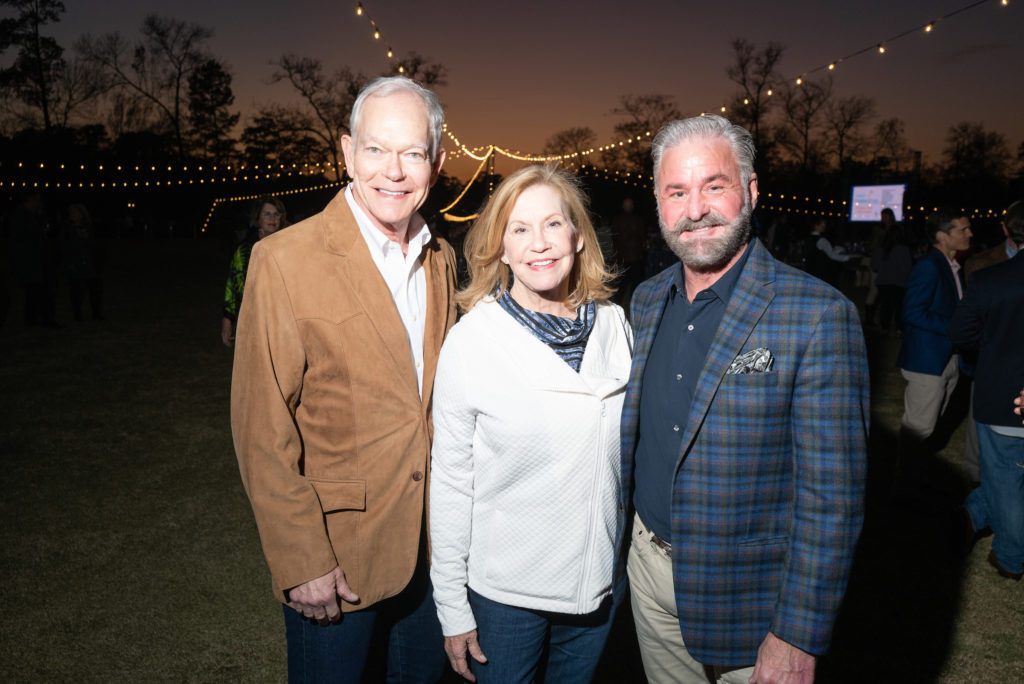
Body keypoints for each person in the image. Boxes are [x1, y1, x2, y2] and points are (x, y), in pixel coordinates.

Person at [616, 115, 869, 684]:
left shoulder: (818, 315)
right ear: (658, 203)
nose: (695, 208)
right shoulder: (648, 300)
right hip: (648, 576)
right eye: (677, 192)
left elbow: (833, 500)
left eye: (715, 186)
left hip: (751, 603)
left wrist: (797, 635)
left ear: (751, 192)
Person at [231, 76, 458, 683]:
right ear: (347, 152)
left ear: (436, 162)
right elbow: (261, 427)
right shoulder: (283, 260)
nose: (394, 170)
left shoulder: (441, 258)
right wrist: (301, 557)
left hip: (431, 554)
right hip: (336, 561)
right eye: (376, 149)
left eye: (413, 152)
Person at [430, 165, 633, 683]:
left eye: (552, 224)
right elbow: (451, 482)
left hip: (597, 593)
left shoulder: (615, 325)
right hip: (506, 600)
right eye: (519, 229)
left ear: (579, 236)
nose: (538, 244)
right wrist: (452, 605)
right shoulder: (473, 341)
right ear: (500, 246)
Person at [949, 200, 1024, 581]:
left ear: (1009, 232)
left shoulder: (993, 280)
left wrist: (990, 351)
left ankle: (980, 520)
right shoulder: (990, 276)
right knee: (1007, 473)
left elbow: (962, 334)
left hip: (1003, 395)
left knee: (1005, 475)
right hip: (1003, 394)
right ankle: (1005, 548)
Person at [893, 211, 973, 498]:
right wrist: (956, 329)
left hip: (945, 358)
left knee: (929, 425)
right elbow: (912, 312)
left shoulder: (951, 265)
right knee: (919, 427)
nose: (969, 234)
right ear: (942, 235)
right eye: (963, 230)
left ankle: (916, 479)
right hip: (928, 360)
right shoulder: (929, 266)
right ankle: (904, 490)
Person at [220, 196, 286, 347]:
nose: (272, 218)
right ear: (258, 218)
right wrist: (227, 320)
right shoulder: (245, 249)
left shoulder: (289, 245)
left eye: (276, 214)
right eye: (267, 214)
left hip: (284, 321)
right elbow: (233, 285)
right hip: (254, 321)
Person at [61, 204, 103, 322]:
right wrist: (69, 263)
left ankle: (96, 314)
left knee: (94, 289)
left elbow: (93, 245)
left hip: (88, 262)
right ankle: (78, 315)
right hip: (75, 263)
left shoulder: (87, 227)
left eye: (75, 212)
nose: (72, 214)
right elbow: (64, 246)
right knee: (76, 291)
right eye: (71, 212)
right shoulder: (67, 228)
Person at [870, 222, 913, 333]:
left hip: (883, 282)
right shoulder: (904, 249)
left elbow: (874, 266)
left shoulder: (881, 249)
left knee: (885, 306)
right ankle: (899, 328)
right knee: (899, 307)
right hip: (899, 282)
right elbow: (908, 268)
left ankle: (885, 327)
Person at [802, 217, 850, 287]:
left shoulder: (807, 239)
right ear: (816, 225)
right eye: (822, 224)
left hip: (810, 271)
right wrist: (848, 258)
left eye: (824, 224)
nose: (824, 226)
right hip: (822, 273)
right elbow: (832, 255)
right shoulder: (822, 240)